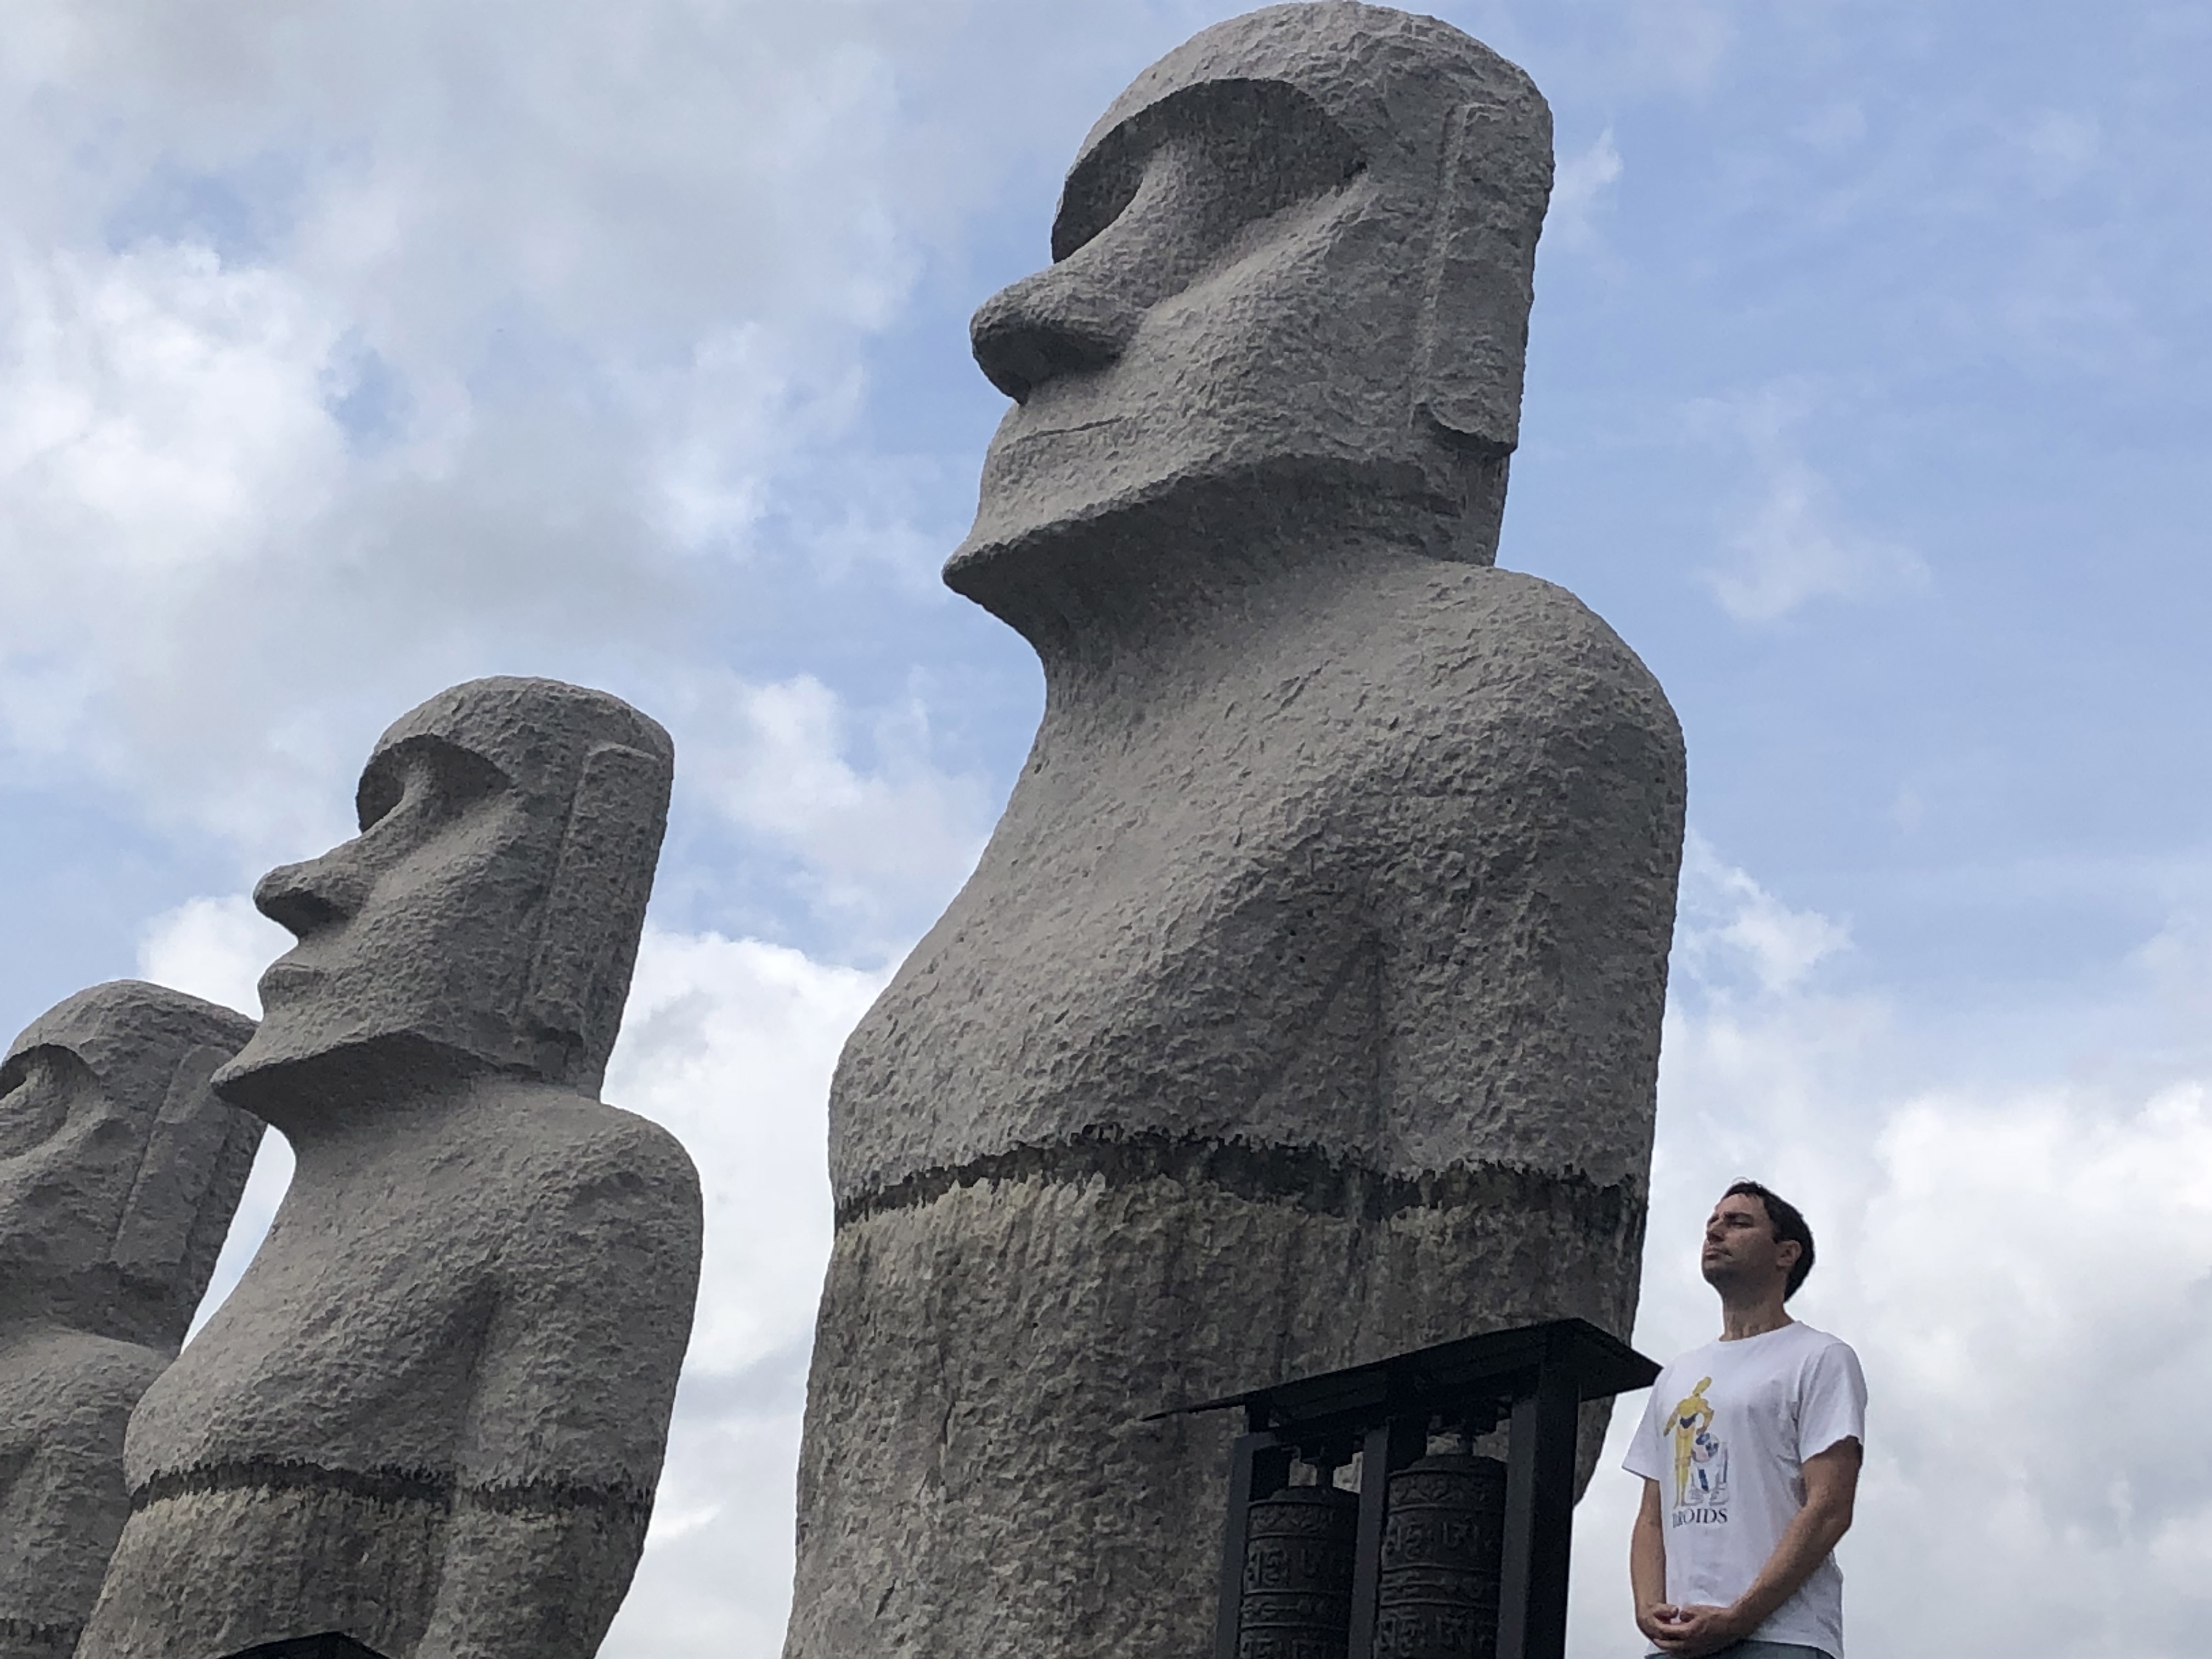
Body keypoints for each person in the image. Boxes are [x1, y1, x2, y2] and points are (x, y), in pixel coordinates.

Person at [1626, 1181, 1866, 1659]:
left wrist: (1738, 1617)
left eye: (1738, 1223)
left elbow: (1830, 1507)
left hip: (1783, 1638)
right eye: (1712, 1223)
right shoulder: (1677, 1375)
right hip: (1677, 1643)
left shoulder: (1820, 1358)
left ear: (1786, 1253)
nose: (1715, 1232)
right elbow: (1651, 1516)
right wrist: (1649, 1608)